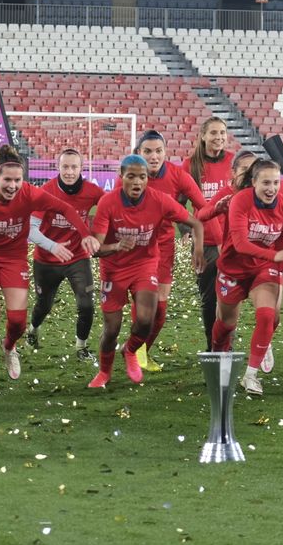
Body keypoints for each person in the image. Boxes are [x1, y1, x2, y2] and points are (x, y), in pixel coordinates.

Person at [0, 145, 99, 389]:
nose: (12, 186)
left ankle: (9, 347)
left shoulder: (30, 194)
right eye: (7, 180)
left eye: (17, 180)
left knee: (18, 321)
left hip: (14, 258)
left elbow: (67, 209)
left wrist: (85, 234)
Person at [87, 155, 204, 388]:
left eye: (142, 177)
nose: (137, 182)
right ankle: (104, 373)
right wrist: (117, 246)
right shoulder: (108, 203)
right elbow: (97, 249)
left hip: (145, 264)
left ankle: (130, 350)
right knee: (111, 329)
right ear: (121, 178)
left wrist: (197, 250)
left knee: (145, 319)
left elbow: (196, 223)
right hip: (114, 268)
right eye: (131, 176)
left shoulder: (160, 200)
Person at [207, 158, 283, 396]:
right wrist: (274, 256)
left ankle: (250, 375)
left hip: (264, 267)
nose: (271, 188)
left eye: (275, 182)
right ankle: (217, 359)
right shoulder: (239, 201)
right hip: (233, 267)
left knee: (268, 315)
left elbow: (282, 241)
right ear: (253, 182)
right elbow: (241, 244)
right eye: (265, 182)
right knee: (225, 325)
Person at [134, 130, 206, 373]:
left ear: (166, 153)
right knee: (143, 303)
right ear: (138, 153)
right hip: (134, 247)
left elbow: (202, 207)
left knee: (160, 309)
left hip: (163, 246)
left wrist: (199, 238)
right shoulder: (130, 175)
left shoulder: (178, 176)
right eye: (147, 151)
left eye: (158, 151)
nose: (153, 156)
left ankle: (141, 348)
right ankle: (131, 352)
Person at [26, 147, 104, 361]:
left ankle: (81, 347)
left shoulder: (93, 191)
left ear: (81, 168)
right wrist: (52, 246)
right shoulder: (47, 191)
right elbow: (30, 229)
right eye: (65, 167)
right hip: (46, 260)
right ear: (58, 167)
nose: (69, 172)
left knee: (86, 304)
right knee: (43, 305)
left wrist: (100, 234)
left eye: (74, 167)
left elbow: (110, 208)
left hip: (78, 257)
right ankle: (32, 330)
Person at [186, 117, 233, 352]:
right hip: (205, 243)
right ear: (203, 136)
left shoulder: (234, 162)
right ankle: (212, 346)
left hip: (232, 240)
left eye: (223, 133)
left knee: (229, 297)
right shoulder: (189, 165)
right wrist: (186, 230)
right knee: (209, 299)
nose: (219, 137)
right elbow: (176, 202)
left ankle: (226, 346)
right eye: (214, 133)